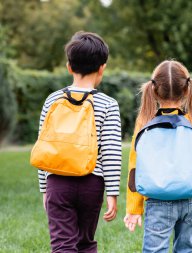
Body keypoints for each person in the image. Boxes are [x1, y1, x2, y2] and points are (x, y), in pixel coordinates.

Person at [36, 31, 121, 252]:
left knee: (62, 244)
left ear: (69, 67)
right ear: (102, 67)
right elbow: (111, 152)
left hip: (57, 182)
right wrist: (112, 192)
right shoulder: (108, 104)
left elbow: (43, 147)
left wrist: (45, 189)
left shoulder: (52, 100)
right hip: (92, 184)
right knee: (85, 242)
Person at [124, 60, 192, 253]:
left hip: (157, 200)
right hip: (190, 199)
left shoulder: (145, 120)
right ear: (187, 90)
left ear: (153, 90)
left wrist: (134, 208)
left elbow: (135, 169)